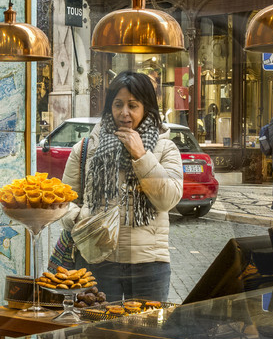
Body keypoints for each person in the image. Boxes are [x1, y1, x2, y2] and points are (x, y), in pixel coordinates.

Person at [57, 71, 184, 302]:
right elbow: (64, 201)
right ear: (109, 108)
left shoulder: (166, 148)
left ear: (146, 108)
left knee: (147, 335)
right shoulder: (86, 148)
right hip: (97, 261)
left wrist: (141, 155)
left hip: (149, 264)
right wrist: (80, 220)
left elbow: (169, 199)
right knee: (99, 334)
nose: (124, 113)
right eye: (118, 104)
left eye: (132, 105)